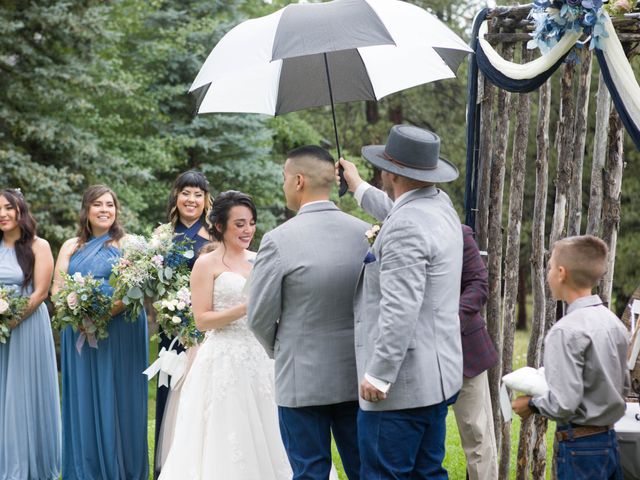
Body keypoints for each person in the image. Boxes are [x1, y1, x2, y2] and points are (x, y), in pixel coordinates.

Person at [339, 124, 464, 479]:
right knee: (427, 472)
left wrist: (378, 375)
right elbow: (397, 209)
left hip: (400, 388)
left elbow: (400, 309)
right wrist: (358, 186)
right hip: (435, 379)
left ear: (390, 172)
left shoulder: (406, 226)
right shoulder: (439, 204)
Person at [248, 146, 369, 480]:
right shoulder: (364, 232)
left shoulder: (278, 240)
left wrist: (282, 347)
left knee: (309, 471)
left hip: (301, 380)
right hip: (355, 374)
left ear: (299, 181)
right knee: (362, 468)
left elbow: (259, 316)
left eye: (285, 177)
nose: (284, 184)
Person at [159, 190, 292, 479]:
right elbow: (202, 320)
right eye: (240, 224)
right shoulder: (207, 264)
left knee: (270, 425)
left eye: (252, 223)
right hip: (223, 356)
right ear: (220, 226)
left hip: (262, 354)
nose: (248, 230)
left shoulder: (260, 259)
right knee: (227, 428)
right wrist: (246, 308)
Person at [512, 235, 629, 480]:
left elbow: (564, 404)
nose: (548, 274)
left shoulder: (565, 331)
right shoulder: (615, 324)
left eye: (551, 267)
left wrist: (531, 404)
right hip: (609, 441)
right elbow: (623, 385)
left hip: (579, 448)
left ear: (562, 273)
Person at [53, 185, 148, 480]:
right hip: (79, 332)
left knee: (120, 394)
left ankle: (123, 467)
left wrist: (102, 314)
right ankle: (86, 467)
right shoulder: (71, 246)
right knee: (83, 396)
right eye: (97, 204)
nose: (105, 209)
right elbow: (57, 289)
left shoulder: (127, 243)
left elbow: (136, 288)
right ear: (86, 210)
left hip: (121, 330)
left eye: (110, 204)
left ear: (116, 210)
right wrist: (73, 314)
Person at [154, 170, 214, 477]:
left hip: (204, 330)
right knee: (172, 389)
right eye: (186, 193)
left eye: (198, 194)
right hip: (171, 327)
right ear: (176, 197)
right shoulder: (161, 237)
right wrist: (169, 310)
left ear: (206, 201)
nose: (192, 200)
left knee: (201, 393)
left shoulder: (214, 237)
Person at [0, 188, 61, 479]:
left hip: (26, 327)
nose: (3, 214)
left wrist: (10, 320)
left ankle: (26, 464)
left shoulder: (39, 246)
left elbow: (40, 293)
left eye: (8, 208)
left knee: (22, 392)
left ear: (20, 211)